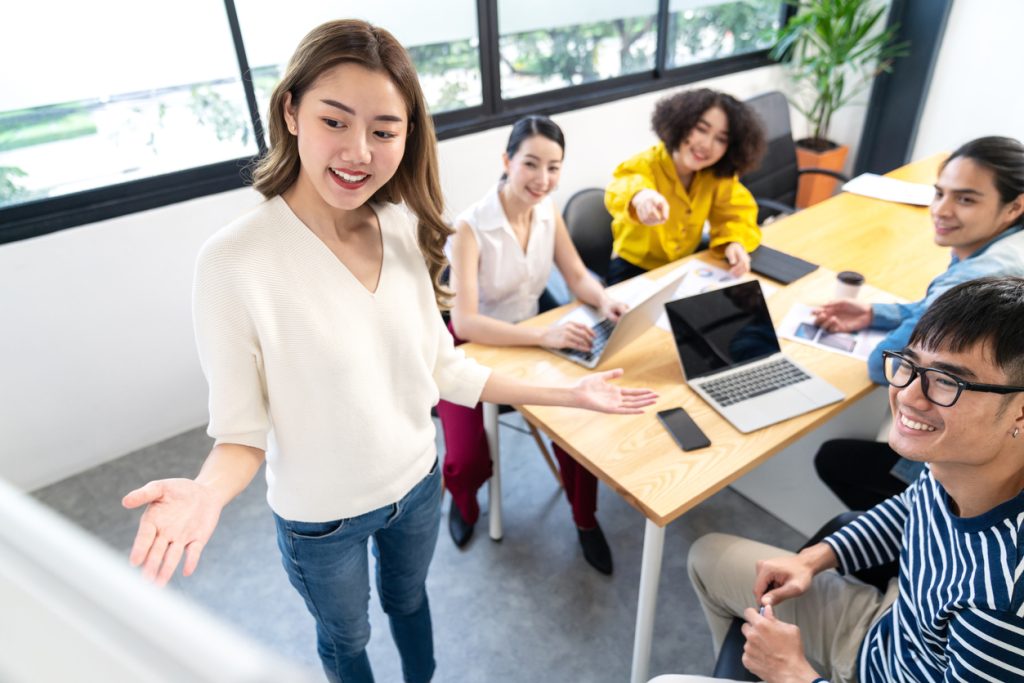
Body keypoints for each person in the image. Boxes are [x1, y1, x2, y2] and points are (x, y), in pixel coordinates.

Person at [119, 20, 657, 683]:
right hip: (321, 519)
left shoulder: (403, 226)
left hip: (416, 483)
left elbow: (446, 367)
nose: (358, 152)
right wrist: (206, 492)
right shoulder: (234, 262)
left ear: (407, 135)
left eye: (383, 130)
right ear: (291, 111)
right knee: (347, 638)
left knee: (409, 600)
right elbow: (241, 433)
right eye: (335, 121)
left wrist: (570, 392)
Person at [657, 276, 1024, 683]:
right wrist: (813, 558)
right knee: (707, 557)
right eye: (909, 363)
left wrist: (792, 674)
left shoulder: (1002, 607)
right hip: (890, 628)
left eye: (947, 381)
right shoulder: (958, 464)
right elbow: (911, 509)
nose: (907, 395)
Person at [439, 115, 627, 574]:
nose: (543, 180)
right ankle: (463, 504)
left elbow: (578, 275)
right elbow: (465, 319)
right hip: (471, 347)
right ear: (506, 161)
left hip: (532, 340)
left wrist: (605, 298)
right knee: (464, 461)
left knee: (579, 429)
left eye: (554, 167)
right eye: (531, 164)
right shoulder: (469, 227)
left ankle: (585, 519)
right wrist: (543, 335)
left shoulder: (549, 210)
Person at [812, 136, 1024, 512]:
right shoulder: (1005, 246)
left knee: (833, 458)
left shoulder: (982, 271)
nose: (941, 210)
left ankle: (903, 545)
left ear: (1014, 206)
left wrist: (905, 332)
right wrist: (876, 314)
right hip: (1004, 449)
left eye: (966, 199)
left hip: (962, 471)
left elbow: (884, 364)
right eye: (939, 193)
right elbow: (945, 310)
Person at [603, 88, 765, 286]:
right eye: (701, 129)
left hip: (684, 265)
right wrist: (641, 197)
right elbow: (621, 185)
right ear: (681, 123)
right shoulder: (647, 164)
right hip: (633, 268)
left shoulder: (716, 176)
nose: (706, 144)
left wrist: (735, 242)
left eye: (721, 139)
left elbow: (736, 213)